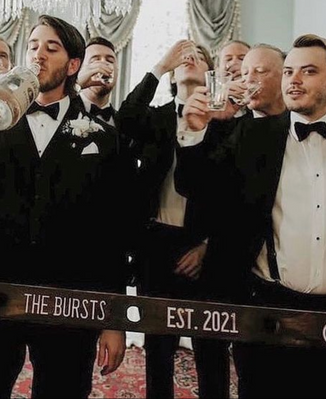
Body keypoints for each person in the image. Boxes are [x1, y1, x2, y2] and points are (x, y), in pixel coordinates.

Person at [0, 15, 127, 398]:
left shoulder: (103, 138)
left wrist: (113, 318)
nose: (38, 55)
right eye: (33, 46)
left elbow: (111, 231)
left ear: (73, 65)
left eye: (51, 48)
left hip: (67, 294)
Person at [177, 33, 326, 399]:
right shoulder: (255, 135)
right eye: (290, 71)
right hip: (266, 309)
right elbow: (196, 187)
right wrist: (197, 132)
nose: (294, 79)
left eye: (308, 71)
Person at [181, 43, 286, 398]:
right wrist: (199, 128)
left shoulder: (304, 130)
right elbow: (194, 186)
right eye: (244, 74)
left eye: (259, 71)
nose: (248, 79)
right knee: (222, 366)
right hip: (231, 272)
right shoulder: (234, 127)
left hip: (291, 285)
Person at [117, 39, 215, 399]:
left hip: (203, 247)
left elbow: (237, 194)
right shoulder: (156, 118)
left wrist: (209, 246)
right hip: (154, 245)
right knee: (158, 348)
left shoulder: (223, 120)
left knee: (210, 348)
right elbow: (125, 118)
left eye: (198, 57)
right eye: (183, 58)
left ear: (211, 72)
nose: (189, 60)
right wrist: (159, 65)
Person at [78, 36, 118, 126]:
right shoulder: (62, 110)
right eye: (95, 61)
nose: (103, 65)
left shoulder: (122, 120)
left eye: (110, 61)